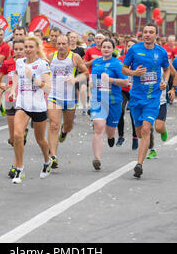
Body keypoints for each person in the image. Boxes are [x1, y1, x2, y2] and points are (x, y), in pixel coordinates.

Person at [122, 24, 170, 179]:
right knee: (139, 131)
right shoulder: (134, 49)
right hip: (136, 96)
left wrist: (165, 82)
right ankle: (148, 142)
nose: (147, 34)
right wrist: (133, 72)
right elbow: (123, 68)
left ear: (156, 34)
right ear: (142, 34)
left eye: (151, 32)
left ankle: (139, 164)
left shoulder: (161, 52)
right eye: (145, 32)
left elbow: (167, 69)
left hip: (153, 97)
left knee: (146, 128)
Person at [8, 37, 52, 184]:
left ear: (36, 48)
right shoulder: (19, 62)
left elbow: (48, 88)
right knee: (17, 135)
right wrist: (13, 90)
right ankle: (19, 168)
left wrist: (33, 78)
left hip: (38, 106)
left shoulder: (42, 64)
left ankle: (47, 160)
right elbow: (16, 75)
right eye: (25, 46)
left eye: (30, 47)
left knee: (41, 140)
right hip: (23, 105)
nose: (27, 49)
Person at [47, 34, 89, 170]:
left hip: (69, 97)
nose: (61, 47)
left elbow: (86, 73)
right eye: (58, 44)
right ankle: (53, 156)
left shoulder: (74, 57)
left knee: (68, 126)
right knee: (54, 125)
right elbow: (44, 72)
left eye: (63, 44)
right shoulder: (51, 57)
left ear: (68, 44)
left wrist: (75, 80)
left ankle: (64, 132)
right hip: (53, 95)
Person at [90, 39, 129, 170]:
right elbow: (93, 80)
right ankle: (97, 159)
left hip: (114, 101)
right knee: (99, 126)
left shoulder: (117, 64)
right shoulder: (96, 62)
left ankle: (111, 137)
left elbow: (125, 82)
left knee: (110, 130)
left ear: (113, 50)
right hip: (98, 99)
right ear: (100, 48)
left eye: (109, 47)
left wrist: (110, 80)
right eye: (104, 47)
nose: (106, 49)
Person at [0, 40, 26, 151]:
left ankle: (21, 137)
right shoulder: (7, 63)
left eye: (21, 49)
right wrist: (5, 88)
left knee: (19, 128)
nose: (18, 52)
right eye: (16, 49)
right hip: (10, 98)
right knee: (12, 133)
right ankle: (13, 139)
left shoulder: (28, 63)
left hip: (23, 98)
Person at [117, 39, 139, 149]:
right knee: (120, 111)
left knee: (133, 114)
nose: (130, 48)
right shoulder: (121, 59)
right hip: (122, 89)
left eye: (132, 46)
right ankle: (121, 135)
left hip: (135, 90)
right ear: (125, 47)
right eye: (128, 46)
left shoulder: (139, 59)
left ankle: (135, 138)